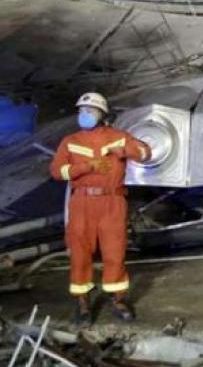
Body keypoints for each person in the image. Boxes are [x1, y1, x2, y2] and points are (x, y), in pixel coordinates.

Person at [50, 92, 151, 326]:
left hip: (112, 203)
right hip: (81, 203)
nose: (84, 115)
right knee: (80, 253)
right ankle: (82, 303)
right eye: (81, 111)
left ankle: (117, 300)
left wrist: (126, 151)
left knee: (114, 252)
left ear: (102, 114)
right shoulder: (70, 141)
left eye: (89, 111)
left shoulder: (118, 137)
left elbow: (146, 153)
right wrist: (86, 167)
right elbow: (57, 171)